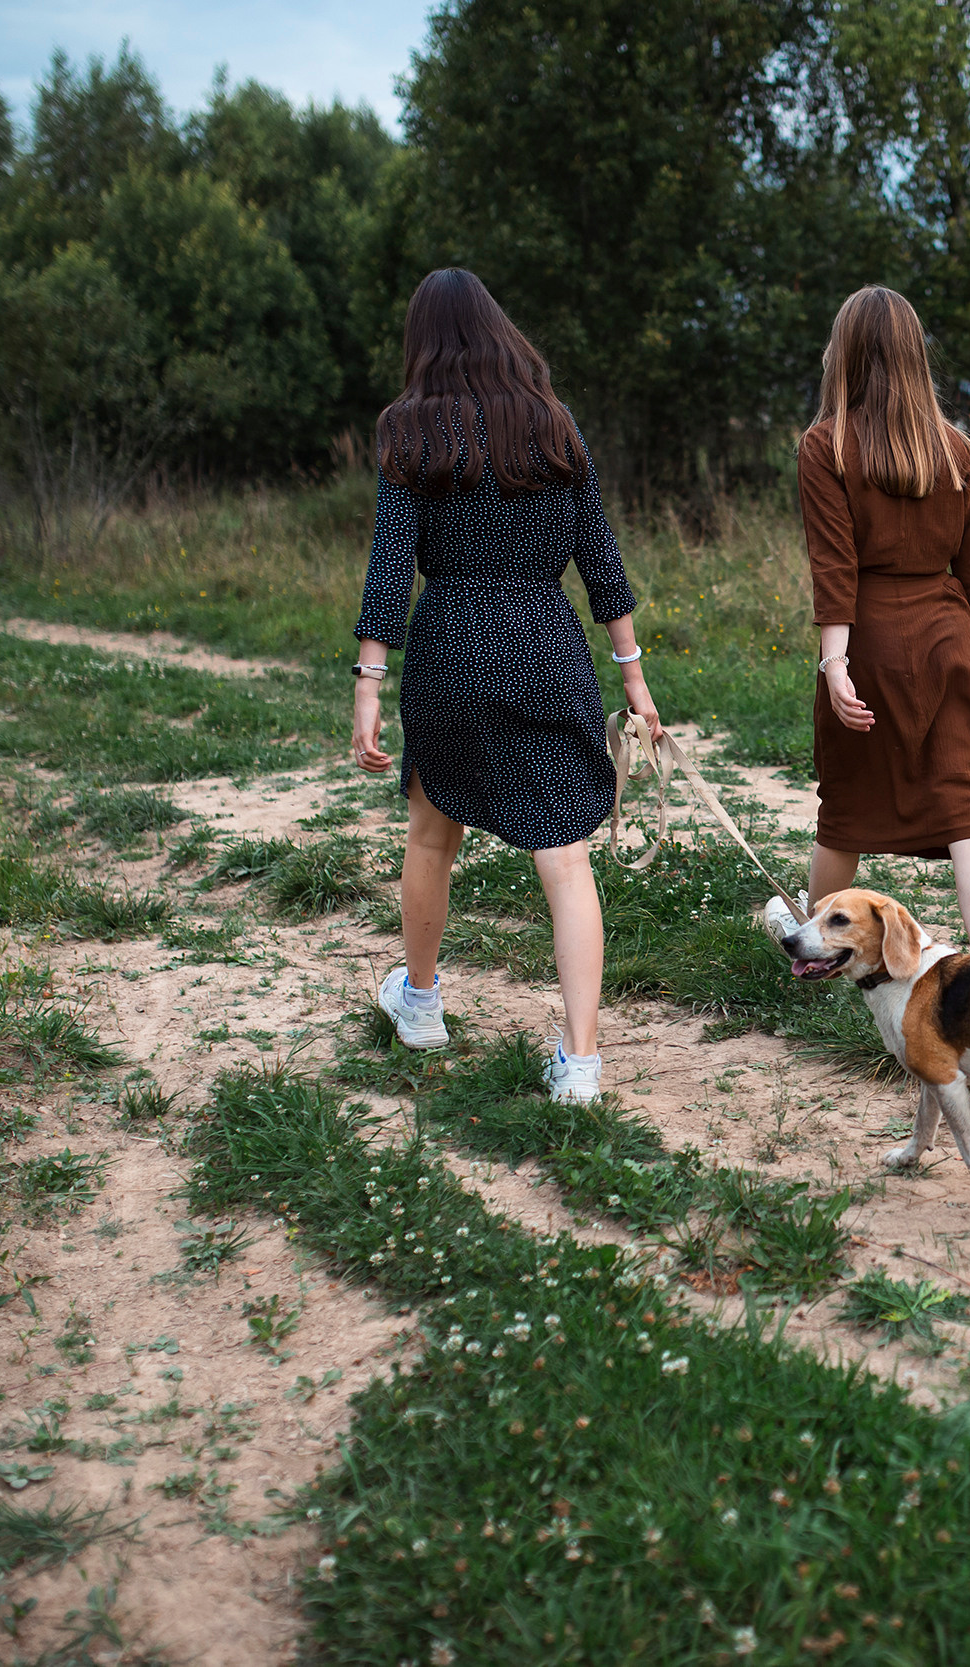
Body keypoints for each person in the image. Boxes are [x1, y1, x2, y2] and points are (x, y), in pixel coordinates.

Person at [350, 267, 662, 1100]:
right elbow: (601, 561)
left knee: (430, 831)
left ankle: (419, 1004)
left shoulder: (410, 429)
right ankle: (582, 1062)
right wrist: (634, 678)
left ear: (425, 341)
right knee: (564, 856)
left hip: (452, 641)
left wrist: (369, 684)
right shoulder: (553, 425)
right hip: (543, 639)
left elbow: (389, 572)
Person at [799, 286, 970, 956]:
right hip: (946, 642)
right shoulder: (957, 450)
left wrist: (834, 664)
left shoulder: (826, 445)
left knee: (845, 808)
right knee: (967, 809)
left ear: (844, 354)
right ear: (913, 356)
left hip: (869, 642)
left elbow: (834, 570)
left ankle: (815, 952)